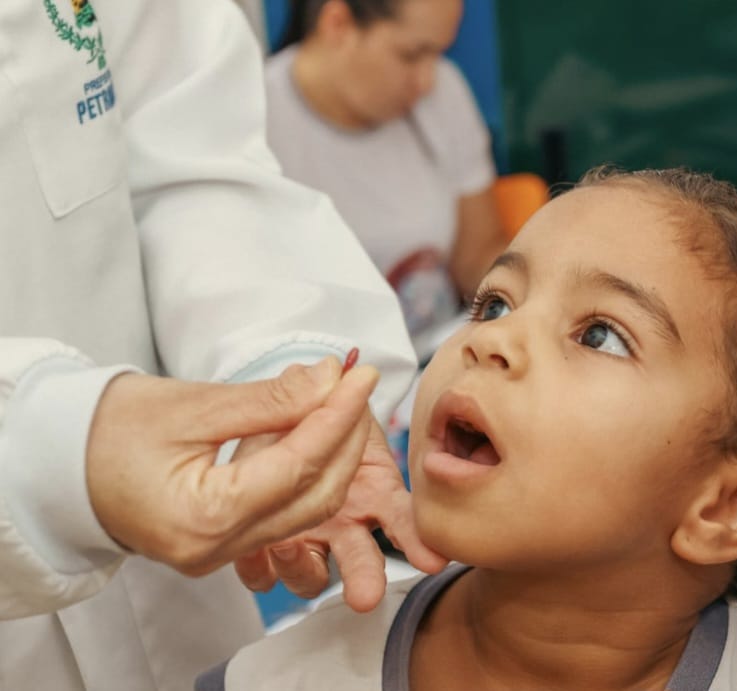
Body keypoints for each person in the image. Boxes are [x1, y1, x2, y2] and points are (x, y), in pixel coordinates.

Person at [198, 167, 737, 690]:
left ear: (725, 507)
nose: (491, 340)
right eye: (493, 302)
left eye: (600, 334)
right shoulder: (285, 675)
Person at [0, 0, 446, 688]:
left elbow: (189, 158)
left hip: (178, 592)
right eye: (496, 304)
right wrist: (58, 456)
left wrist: (276, 367)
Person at [264, 0, 507, 336]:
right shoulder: (256, 121)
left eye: (438, 54)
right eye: (410, 55)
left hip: (440, 353)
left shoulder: (445, 92)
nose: (426, 80)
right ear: (337, 24)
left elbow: (476, 257)